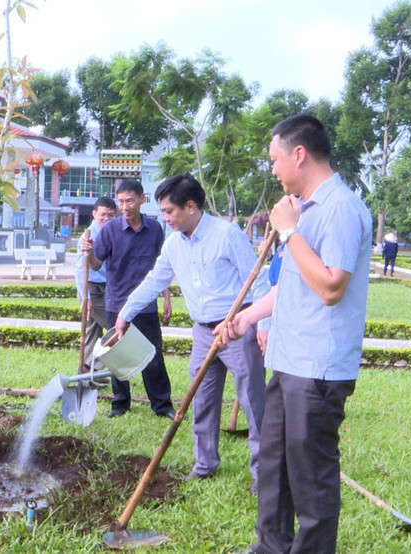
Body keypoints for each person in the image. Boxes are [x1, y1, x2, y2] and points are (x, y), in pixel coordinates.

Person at [221, 114, 372, 553]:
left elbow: (329, 287)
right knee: (274, 467)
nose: (272, 169)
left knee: (311, 479)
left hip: (318, 369)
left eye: (274, 159)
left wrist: (288, 231)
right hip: (288, 362)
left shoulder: (341, 209)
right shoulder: (303, 211)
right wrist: (249, 317)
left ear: (299, 154)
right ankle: (270, 546)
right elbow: (294, 287)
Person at [116, 173, 267, 489]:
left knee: (253, 400)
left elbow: (258, 280)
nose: (165, 218)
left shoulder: (227, 235)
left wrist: (262, 325)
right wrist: (126, 312)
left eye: (170, 211)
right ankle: (205, 463)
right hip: (203, 332)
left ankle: (262, 472)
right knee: (201, 398)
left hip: (237, 327)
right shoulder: (173, 245)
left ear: (191, 206)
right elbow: (155, 281)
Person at [81, 178, 175, 419]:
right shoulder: (109, 230)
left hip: (146, 306)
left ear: (142, 200)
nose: (125, 206)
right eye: (121, 201)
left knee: (153, 355)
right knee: (117, 357)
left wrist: (167, 297)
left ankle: (162, 406)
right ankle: (120, 404)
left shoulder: (155, 229)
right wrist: (89, 253)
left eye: (130, 200)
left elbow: (161, 267)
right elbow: (96, 264)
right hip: (116, 303)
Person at [74, 196, 116, 373]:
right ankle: (97, 367)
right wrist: (86, 298)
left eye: (110, 215)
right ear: (94, 214)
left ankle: (88, 367)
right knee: (114, 327)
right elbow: (79, 269)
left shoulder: (112, 233)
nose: (106, 219)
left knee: (92, 329)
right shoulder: (88, 236)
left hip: (106, 287)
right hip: (91, 288)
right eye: (103, 215)